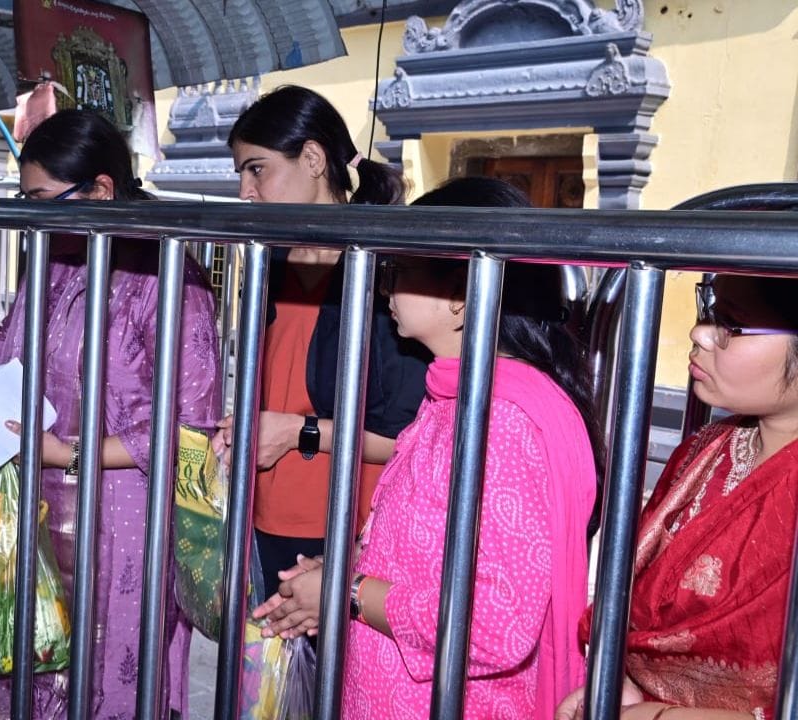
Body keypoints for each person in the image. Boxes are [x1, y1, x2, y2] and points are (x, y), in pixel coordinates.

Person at [255, 177, 601, 719]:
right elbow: (438, 556)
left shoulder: (501, 422)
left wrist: (349, 593)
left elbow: (495, 623)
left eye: (404, 270)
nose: (386, 287)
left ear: (462, 297)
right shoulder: (458, 397)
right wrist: (345, 570)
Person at [0, 109, 222, 719]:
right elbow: (11, 340)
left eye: (43, 198)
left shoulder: (169, 275)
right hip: (27, 503)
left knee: (103, 672)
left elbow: (190, 426)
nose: (33, 214)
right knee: (23, 653)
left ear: (99, 189)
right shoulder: (59, 258)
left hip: (122, 519)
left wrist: (68, 453)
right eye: (26, 198)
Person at [212, 84, 430, 599]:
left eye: (257, 169)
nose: (245, 192)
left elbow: (409, 435)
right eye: (241, 174)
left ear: (311, 158)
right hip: (264, 513)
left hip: (351, 528)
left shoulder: (386, 271)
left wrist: (296, 432)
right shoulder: (271, 262)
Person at [556, 273, 798, 720]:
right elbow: (636, 603)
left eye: (731, 324)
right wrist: (620, 686)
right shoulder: (705, 449)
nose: (698, 333)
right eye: (710, 311)